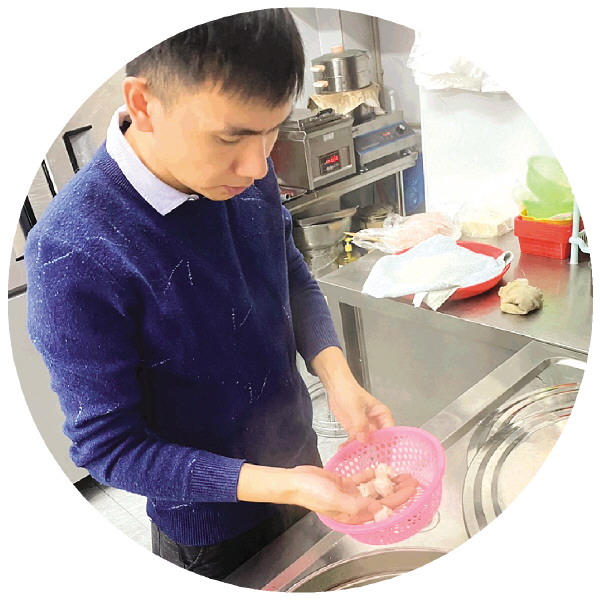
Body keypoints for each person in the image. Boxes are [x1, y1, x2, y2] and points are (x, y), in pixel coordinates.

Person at [24, 9, 395, 581]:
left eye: (272, 131)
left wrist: (338, 379)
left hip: (304, 470)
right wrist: (282, 485)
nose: (257, 165)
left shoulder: (245, 171)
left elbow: (286, 271)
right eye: (231, 137)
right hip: (210, 530)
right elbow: (110, 449)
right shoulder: (75, 250)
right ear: (143, 104)